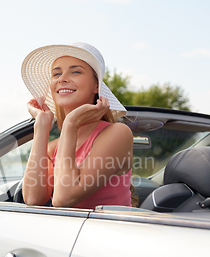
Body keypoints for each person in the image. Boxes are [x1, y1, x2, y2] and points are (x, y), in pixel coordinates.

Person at [21, 42, 135, 209]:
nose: (62, 78)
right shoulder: (53, 148)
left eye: (75, 71)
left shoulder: (118, 133)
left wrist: (71, 123)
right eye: (56, 74)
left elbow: (63, 199)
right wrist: (41, 125)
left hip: (108, 233)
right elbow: (32, 198)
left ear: (97, 86)